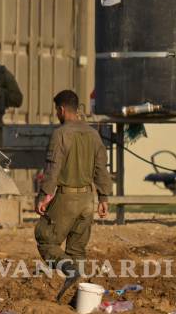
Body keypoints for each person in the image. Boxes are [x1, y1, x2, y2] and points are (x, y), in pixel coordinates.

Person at [35, 89, 112, 301]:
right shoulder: (93, 134)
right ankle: (76, 299)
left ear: (61, 109)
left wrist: (44, 195)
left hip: (67, 198)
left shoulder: (61, 134)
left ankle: (69, 271)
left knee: (45, 238)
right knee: (77, 250)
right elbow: (101, 169)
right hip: (88, 199)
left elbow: (53, 168)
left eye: (56, 111)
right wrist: (104, 198)